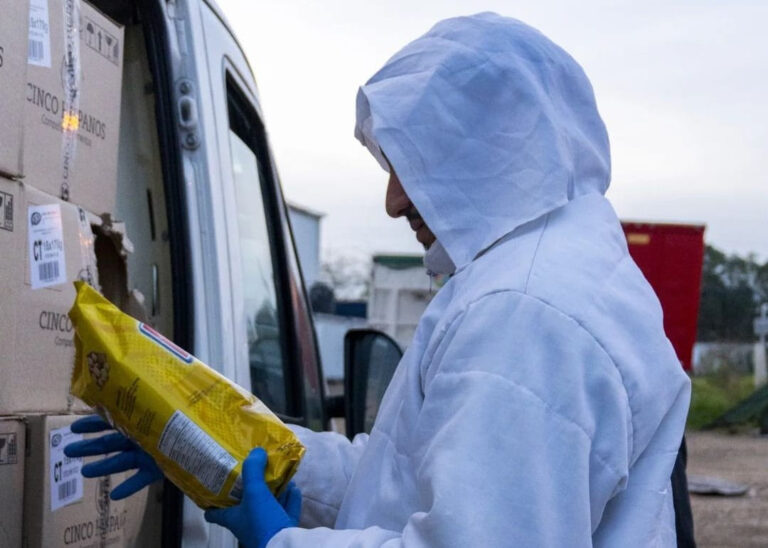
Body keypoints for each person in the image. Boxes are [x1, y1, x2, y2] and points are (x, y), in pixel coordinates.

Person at [65, 13, 691, 547]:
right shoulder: (540, 275)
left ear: (483, 150)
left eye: (411, 167)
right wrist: (215, 447)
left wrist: (281, 542)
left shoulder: (526, 312)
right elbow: (398, 480)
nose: (393, 202)